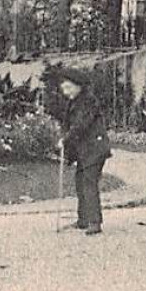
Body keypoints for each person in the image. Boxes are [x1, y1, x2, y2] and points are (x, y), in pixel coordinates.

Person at [58, 66, 111, 236]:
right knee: (80, 182)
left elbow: (81, 125)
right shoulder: (75, 101)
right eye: (64, 88)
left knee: (89, 183)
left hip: (95, 149)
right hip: (84, 150)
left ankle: (95, 222)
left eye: (68, 88)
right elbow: (70, 124)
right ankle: (83, 219)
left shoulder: (88, 101)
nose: (66, 92)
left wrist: (65, 140)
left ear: (78, 86)